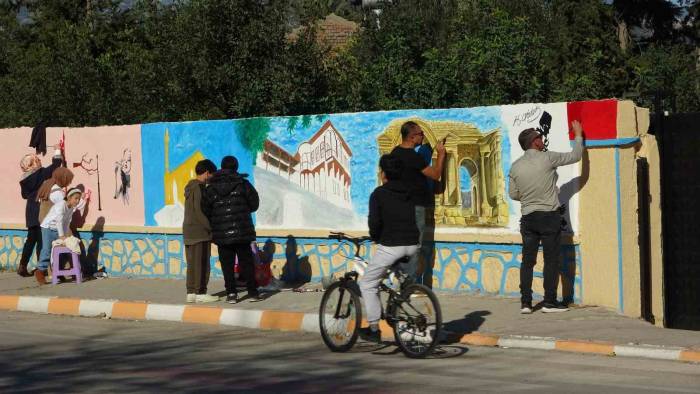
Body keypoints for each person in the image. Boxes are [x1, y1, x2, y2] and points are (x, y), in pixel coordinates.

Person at [508, 120, 584, 314]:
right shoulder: (547, 158)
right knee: (551, 259)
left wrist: (530, 195)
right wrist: (578, 134)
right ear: (534, 142)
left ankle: (526, 303)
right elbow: (576, 155)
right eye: (539, 137)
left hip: (528, 218)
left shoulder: (515, 167)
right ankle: (549, 302)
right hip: (549, 216)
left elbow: (514, 194)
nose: (542, 139)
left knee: (528, 261)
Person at [358, 154, 420, 342]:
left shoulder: (379, 194)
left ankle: (374, 328)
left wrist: (375, 237)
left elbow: (374, 223)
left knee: (367, 284)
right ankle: (396, 302)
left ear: (383, 173)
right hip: (413, 244)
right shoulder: (409, 191)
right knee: (391, 275)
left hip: (392, 246)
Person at [390, 121, 445, 286]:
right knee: (414, 245)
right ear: (412, 136)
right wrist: (441, 154)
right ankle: (411, 285)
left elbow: (385, 177)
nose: (423, 136)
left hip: (398, 206)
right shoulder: (414, 157)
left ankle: (400, 280)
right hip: (415, 206)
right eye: (421, 134)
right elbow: (435, 175)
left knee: (401, 243)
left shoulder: (394, 153)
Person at [202, 156, 262, 304]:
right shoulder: (243, 184)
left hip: (222, 233)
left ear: (221, 167)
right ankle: (253, 293)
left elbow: (205, 209)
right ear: (236, 167)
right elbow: (254, 204)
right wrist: (243, 210)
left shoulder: (211, 187)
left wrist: (217, 219)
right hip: (242, 231)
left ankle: (231, 294)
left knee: (227, 265)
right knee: (246, 263)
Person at [18, 146, 63, 277]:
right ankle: (41, 269)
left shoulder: (24, 180)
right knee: (41, 240)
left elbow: (25, 196)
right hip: (39, 210)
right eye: (36, 159)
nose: (39, 160)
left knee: (31, 240)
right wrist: (57, 151)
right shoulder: (39, 174)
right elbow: (55, 166)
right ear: (32, 164)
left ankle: (22, 265)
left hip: (30, 210)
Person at [37, 179, 88, 285]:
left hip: (58, 230)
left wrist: (65, 235)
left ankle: (58, 272)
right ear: (69, 198)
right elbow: (59, 221)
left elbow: (66, 222)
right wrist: (62, 236)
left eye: (78, 199)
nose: (77, 201)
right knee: (47, 250)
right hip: (48, 228)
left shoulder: (70, 208)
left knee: (61, 250)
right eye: (75, 198)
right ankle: (40, 271)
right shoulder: (61, 205)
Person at [183, 159, 218, 303]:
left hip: (189, 230)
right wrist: (210, 229)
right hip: (200, 231)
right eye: (211, 175)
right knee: (202, 263)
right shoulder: (199, 188)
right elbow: (200, 210)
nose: (212, 178)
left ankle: (191, 291)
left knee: (192, 263)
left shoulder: (189, 187)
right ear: (206, 173)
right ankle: (200, 292)